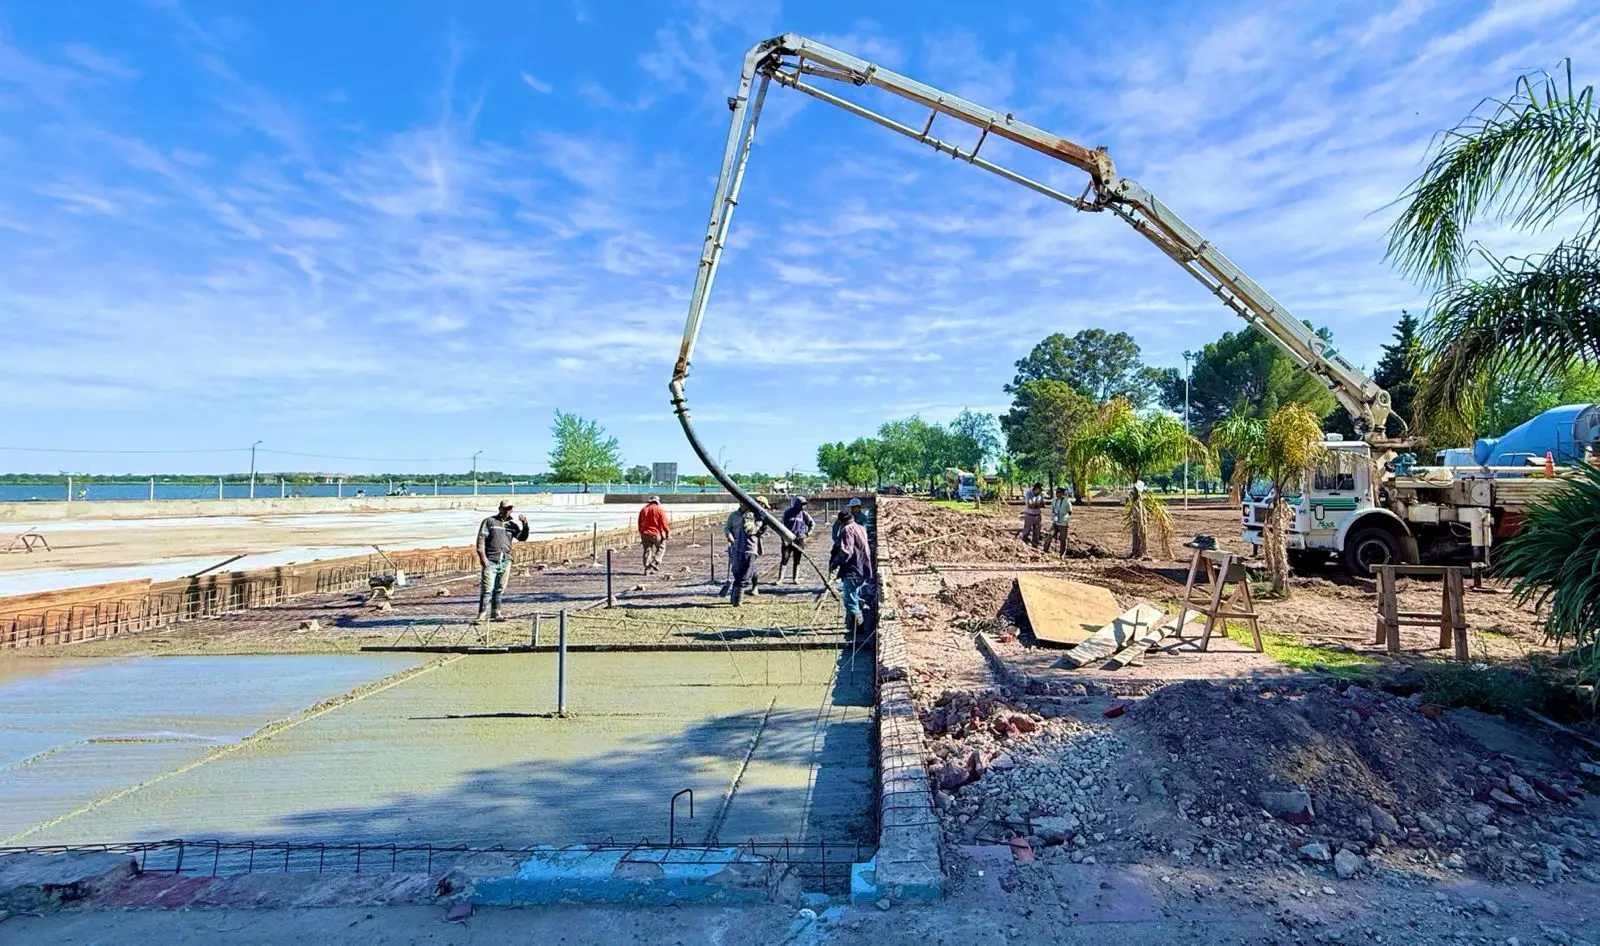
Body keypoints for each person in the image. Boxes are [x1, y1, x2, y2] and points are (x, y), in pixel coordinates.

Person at [475, 501, 529, 622]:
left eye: (510, 508)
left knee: (499, 588)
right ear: (500, 508)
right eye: (505, 508)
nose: (507, 511)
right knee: (487, 588)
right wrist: (482, 556)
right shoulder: (490, 522)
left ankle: (496, 613)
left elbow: (522, 537)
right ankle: (482, 614)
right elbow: (481, 539)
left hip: (505, 561)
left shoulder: (512, 525)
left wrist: (525, 524)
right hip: (491, 560)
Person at [829, 507, 874, 636]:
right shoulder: (860, 527)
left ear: (840, 521)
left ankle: (858, 629)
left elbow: (846, 551)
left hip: (853, 569)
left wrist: (835, 563)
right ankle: (855, 622)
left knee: (850, 599)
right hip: (864, 568)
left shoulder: (846, 529)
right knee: (855, 596)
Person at [728, 502, 767, 606]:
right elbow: (749, 530)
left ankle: (735, 600)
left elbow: (758, 533)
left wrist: (763, 526)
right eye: (763, 506)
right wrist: (759, 522)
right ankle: (737, 601)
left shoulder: (752, 516)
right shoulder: (749, 516)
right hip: (746, 549)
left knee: (742, 575)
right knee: (743, 576)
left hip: (749, 548)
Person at [780, 496, 815, 583]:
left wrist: (807, 534)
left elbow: (812, 524)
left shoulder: (804, 514)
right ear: (797, 504)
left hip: (799, 540)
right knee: (785, 558)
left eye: (804, 505)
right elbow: (781, 526)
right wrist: (783, 538)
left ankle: (795, 578)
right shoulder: (788, 513)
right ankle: (780, 578)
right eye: (801, 504)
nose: (803, 506)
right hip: (787, 539)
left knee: (797, 559)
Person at [637, 496, 670, 575]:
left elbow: (639, 522)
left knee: (647, 550)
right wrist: (667, 533)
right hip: (655, 533)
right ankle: (655, 562)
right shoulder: (659, 510)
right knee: (661, 547)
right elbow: (664, 523)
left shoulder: (643, 510)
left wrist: (641, 532)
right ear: (657, 502)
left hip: (644, 533)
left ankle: (647, 569)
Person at [1042, 486, 1072, 557]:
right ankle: (1045, 550)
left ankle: (1062, 554)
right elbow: (1053, 510)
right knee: (1050, 535)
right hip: (1055, 523)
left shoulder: (1066, 501)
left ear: (1062, 493)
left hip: (1063, 523)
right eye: (1056, 492)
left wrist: (1065, 517)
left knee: (1063, 539)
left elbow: (1070, 511)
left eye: (1058, 492)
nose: (1057, 494)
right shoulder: (1054, 501)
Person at [1020, 482, 1045, 547]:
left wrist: (1036, 505)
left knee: (1037, 532)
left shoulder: (1041, 494)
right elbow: (1029, 505)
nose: (1041, 491)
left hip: (1037, 515)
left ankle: (1035, 544)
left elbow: (1043, 504)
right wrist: (1037, 505)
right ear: (1037, 489)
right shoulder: (1028, 493)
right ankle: (1024, 544)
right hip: (1029, 515)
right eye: (1040, 490)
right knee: (1026, 530)